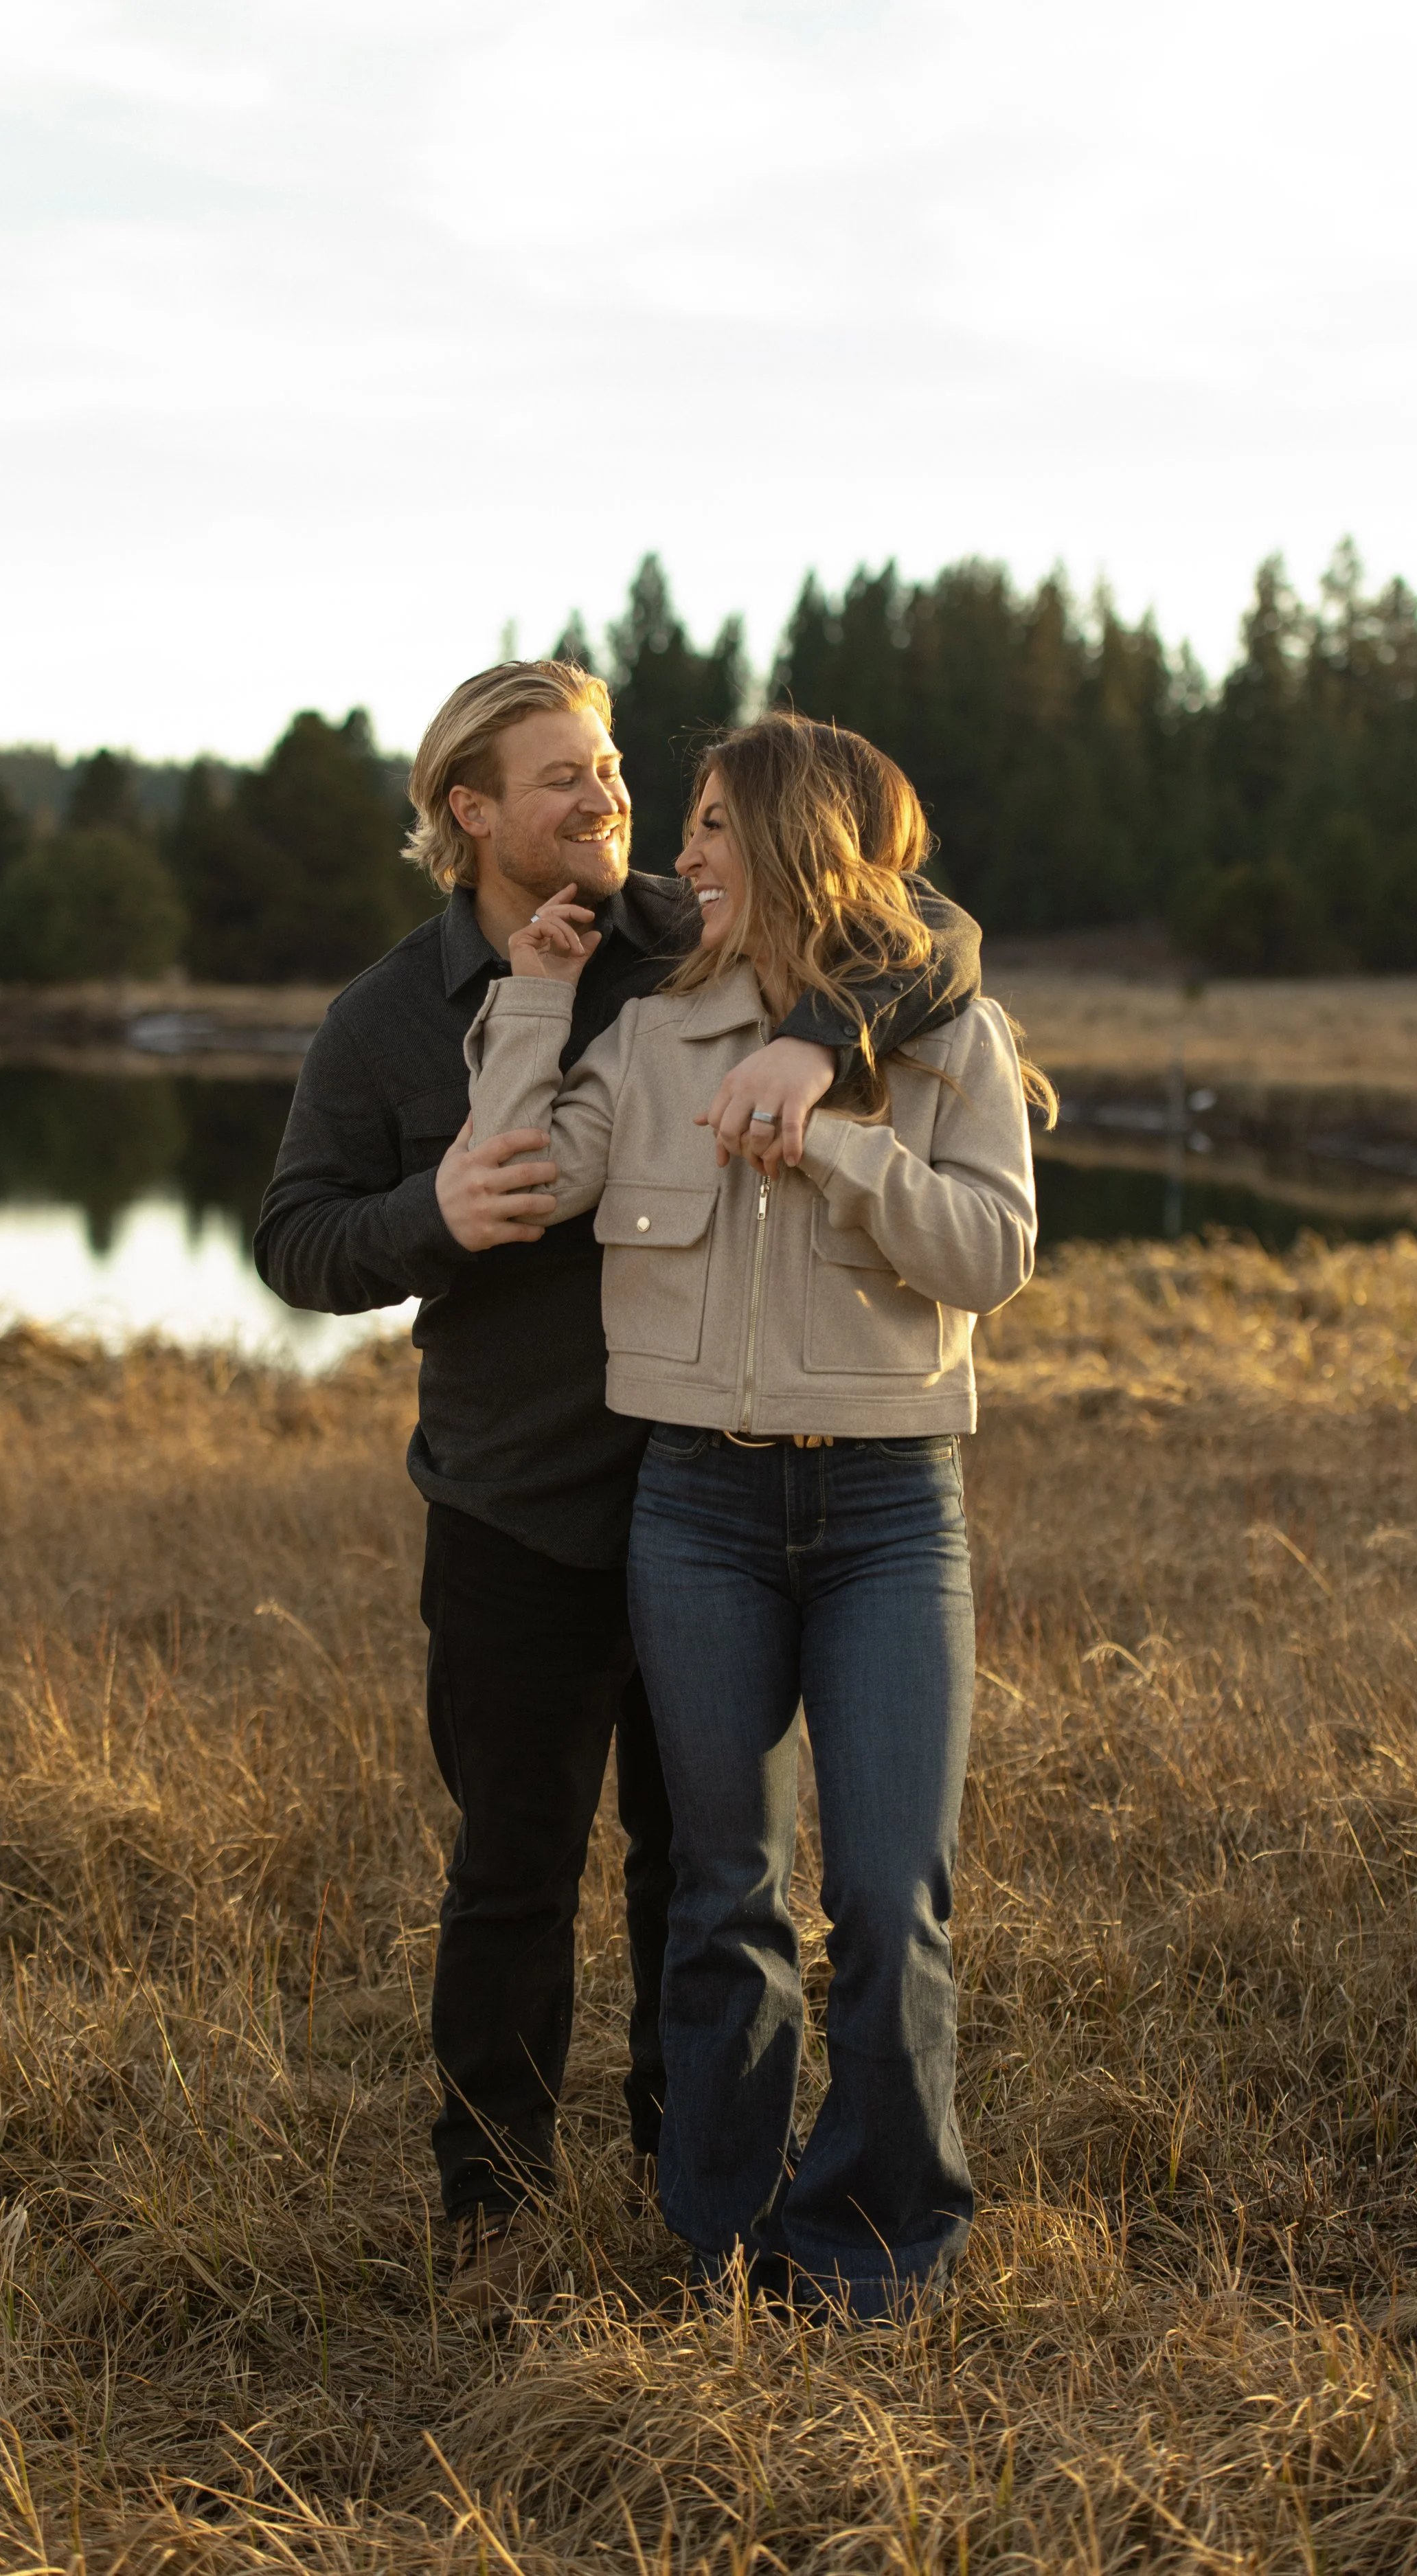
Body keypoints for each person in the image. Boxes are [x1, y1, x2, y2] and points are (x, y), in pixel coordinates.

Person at [253, 661, 986, 2309]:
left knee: (705, 1874)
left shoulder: (685, 928)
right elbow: (296, 1242)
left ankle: (693, 2193)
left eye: (611, 773)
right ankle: (493, 2210)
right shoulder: (386, 1016)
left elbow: (930, 935)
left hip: (702, 1499)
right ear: (470, 812)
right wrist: (432, 1212)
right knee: (513, 1871)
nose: (606, 802)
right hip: (514, 1511)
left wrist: (813, 1044)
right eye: (565, 780)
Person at [465, 711, 1049, 2319]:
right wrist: (529, 999)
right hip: (697, 1510)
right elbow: (524, 1175)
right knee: (721, 1890)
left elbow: (992, 1258)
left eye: (714, 825)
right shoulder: (651, 1027)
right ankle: (714, 2235)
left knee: (885, 1891)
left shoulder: (948, 1041)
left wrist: (846, 1151)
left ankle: (872, 2245)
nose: (684, 853)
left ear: (790, 842)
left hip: (884, 1509)